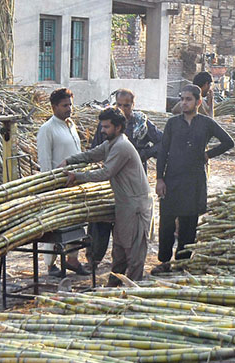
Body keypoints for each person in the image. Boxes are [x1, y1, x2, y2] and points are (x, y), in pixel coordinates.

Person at [63, 108, 153, 286]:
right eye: (101, 126)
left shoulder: (121, 146)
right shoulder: (111, 143)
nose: (102, 130)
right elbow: (92, 154)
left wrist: (77, 177)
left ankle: (135, 291)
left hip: (135, 205)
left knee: (134, 252)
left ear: (118, 127)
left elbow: (106, 172)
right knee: (119, 249)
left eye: (106, 127)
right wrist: (69, 161)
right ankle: (113, 286)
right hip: (124, 204)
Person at [153, 85, 234, 273]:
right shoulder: (173, 123)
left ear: (198, 102)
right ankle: (164, 262)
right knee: (166, 223)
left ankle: (181, 263)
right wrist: (159, 179)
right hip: (172, 179)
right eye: (182, 99)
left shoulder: (206, 123)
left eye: (188, 99)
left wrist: (208, 154)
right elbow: (163, 151)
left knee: (189, 224)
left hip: (195, 180)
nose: (183, 103)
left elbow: (228, 142)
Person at [86, 88, 162, 268]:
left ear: (132, 105)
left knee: (129, 228)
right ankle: (94, 258)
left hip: (132, 184)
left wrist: (143, 153)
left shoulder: (141, 123)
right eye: (119, 104)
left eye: (126, 105)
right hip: (108, 179)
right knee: (102, 221)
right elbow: (97, 148)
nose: (122, 108)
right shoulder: (108, 123)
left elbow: (162, 141)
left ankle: (127, 264)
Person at [36, 88, 88, 276]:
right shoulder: (47, 129)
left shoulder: (71, 125)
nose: (68, 109)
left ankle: (72, 259)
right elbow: (45, 161)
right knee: (54, 224)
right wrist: (50, 186)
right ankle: (50, 265)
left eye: (70, 105)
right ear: (54, 107)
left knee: (75, 222)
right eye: (64, 105)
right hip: (57, 185)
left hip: (75, 183)